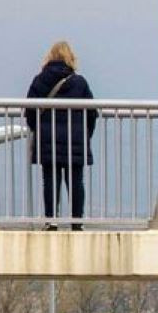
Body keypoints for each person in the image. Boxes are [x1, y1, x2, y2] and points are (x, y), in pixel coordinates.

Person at [24, 41, 99, 228]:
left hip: (48, 140)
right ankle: (77, 222)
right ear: (71, 58)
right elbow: (92, 113)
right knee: (75, 181)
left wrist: (38, 130)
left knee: (50, 179)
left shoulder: (39, 81)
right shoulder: (80, 83)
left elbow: (30, 111)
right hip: (75, 140)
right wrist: (85, 135)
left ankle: (51, 221)